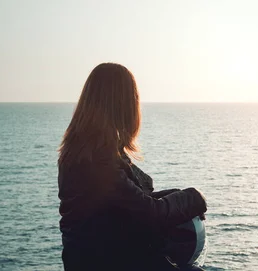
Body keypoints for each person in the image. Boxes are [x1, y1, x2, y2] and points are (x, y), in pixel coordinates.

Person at [57, 63, 208, 271]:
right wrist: (194, 197)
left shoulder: (83, 152)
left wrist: (177, 197)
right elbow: (149, 213)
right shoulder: (98, 162)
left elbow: (126, 203)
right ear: (124, 105)